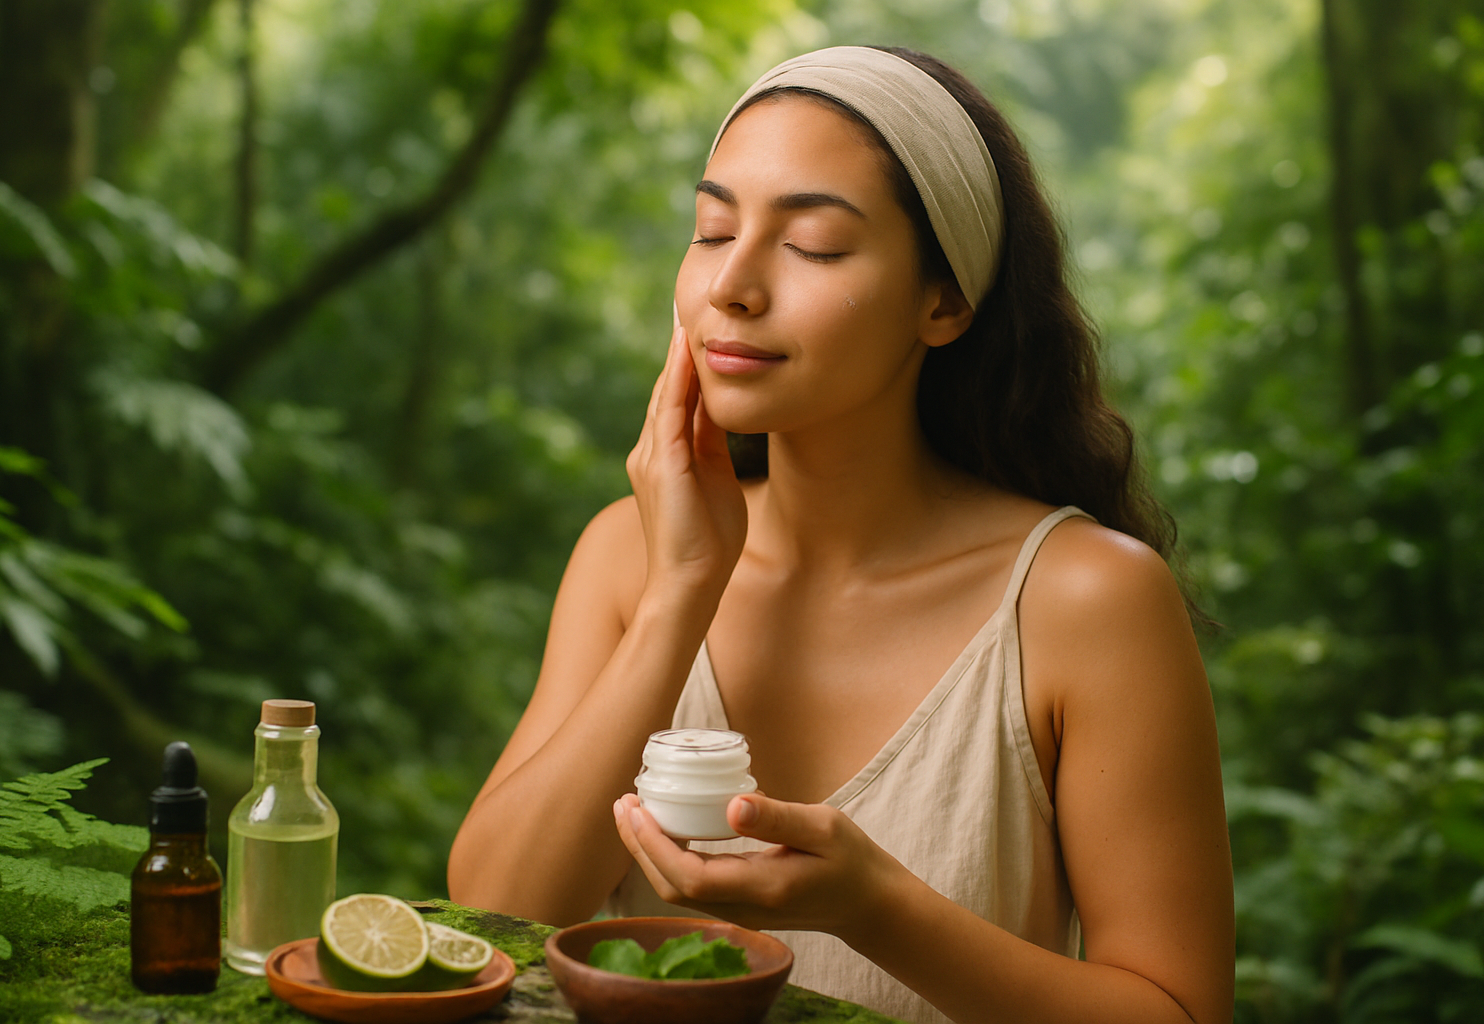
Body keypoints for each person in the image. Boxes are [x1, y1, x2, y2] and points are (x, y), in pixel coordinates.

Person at [448, 45, 1234, 1024]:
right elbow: (491, 919)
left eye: (813, 244)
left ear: (942, 302)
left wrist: (876, 907)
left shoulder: (1087, 598)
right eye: (712, 229)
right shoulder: (627, 554)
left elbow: (1180, 1011)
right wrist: (681, 589)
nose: (731, 284)